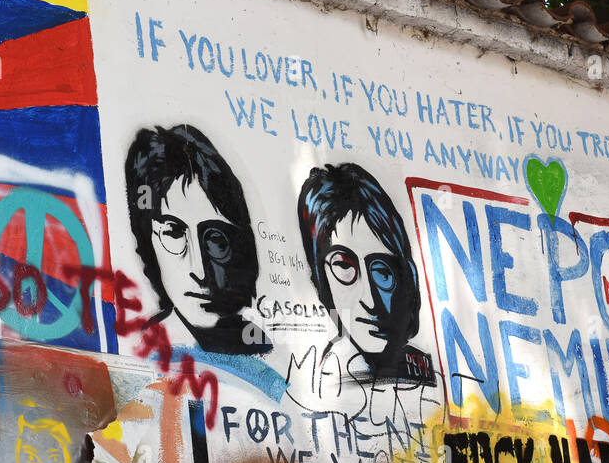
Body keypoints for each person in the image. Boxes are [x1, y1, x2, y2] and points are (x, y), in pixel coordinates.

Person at [125, 125, 262, 355]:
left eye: (216, 238)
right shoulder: (144, 352)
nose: (199, 269)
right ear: (148, 241)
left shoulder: (261, 345)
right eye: (174, 232)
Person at [295, 163, 432, 386]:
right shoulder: (321, 376)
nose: (369, 300)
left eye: (382, 272)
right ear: (320, 278)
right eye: (344, 266)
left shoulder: (423, 373)